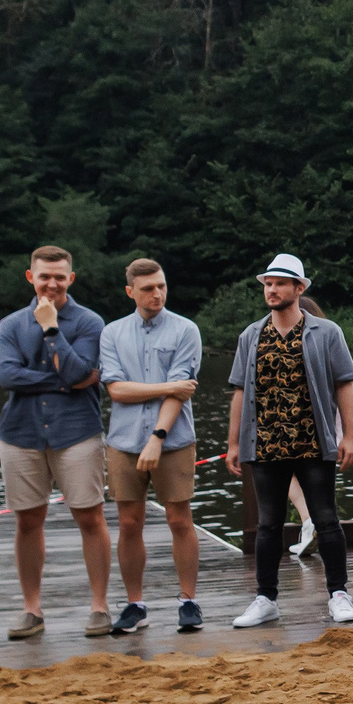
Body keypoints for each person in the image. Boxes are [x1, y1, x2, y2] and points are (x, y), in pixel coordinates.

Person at [225, 253, 353, 628]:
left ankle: (338, 594)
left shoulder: (326, 332)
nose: (272, 289)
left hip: (313, 442)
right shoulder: (251, 336)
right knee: (268, 524)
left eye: (280, 283)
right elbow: (239, 391)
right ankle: (265, 598)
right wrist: (234, 443)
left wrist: (348, 436)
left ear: (299, 288)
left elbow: (345, 385)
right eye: (268, 283)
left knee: (326, 519)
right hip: (266, 444)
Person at [0, 245, 112, 639]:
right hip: (20, 434)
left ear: (71, 279)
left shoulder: (91, 322)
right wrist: (66, 382)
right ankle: (32, 610)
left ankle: (99, 606)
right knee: (28, 520)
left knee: (89, 516)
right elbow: (8, 377)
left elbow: (84, 369)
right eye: (44, 276)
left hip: (76, 431)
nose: (52, 283)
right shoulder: (10, 325)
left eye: (60, 276)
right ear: (31, 277)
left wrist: (50, 328)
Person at [99, 259, 203, 635]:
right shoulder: (112, 333)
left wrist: (157, 438)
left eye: (160, 286)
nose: (156, 293)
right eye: (147, 288)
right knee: (129, 523)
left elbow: (183, 389)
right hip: (123, 441)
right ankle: (134, 604)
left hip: (173, 440)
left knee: (179, 519)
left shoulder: (185, 330)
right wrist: (167, 387)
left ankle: (188, 600)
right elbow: (117, 390)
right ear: (130, 292)